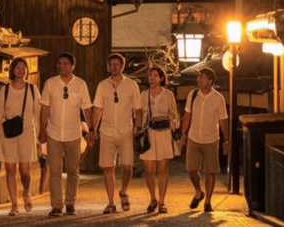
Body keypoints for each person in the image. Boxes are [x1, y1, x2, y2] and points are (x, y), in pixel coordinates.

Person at [38, 52, 93, 217]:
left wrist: (91, 129)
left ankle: (70, 203)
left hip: (73, 134)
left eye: (65, 63)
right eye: (59, 63)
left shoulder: (80, 84)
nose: (62, 66)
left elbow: (86, 108)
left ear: (72, 66)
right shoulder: (50, 83)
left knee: (73, 170)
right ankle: (56, 205)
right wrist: (42, 129)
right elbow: (45, 107)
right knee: (55, 171)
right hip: (53, 133)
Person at [90, 53, 141, 214]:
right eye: (111, 64)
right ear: (108, 66)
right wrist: (93, 129)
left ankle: (123, 192)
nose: (114, 67)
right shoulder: (102, 85)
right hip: (107, 130)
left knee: (127, 166)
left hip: (126, 130)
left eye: (117, 64)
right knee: (108, 167)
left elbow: (138, 108)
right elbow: (98, 108)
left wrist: (138, 126)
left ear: (122, 66)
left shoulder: (131, 85)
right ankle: (111, 202)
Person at [0, 57, 41, 216]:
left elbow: (37, 114)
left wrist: (39, 137)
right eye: (18, 67)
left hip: (27, 132)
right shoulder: (5, 90)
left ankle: (26, 191)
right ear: (12, 70)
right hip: (8, 132)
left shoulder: (32, 89)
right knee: (10, 169)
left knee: (25, 170)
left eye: (23, 68)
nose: (21, 70)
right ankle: (14, 204)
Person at [179, 68, 230, 213]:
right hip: (194, 137)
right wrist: (183, 133)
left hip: (211, 138)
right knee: (191, 168)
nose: (199, 80)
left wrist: (226, 139)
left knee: (210, 171)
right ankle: (198, 191)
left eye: (202, 77)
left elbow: (223, 120)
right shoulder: (193, 94)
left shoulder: (218, 98)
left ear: (210, 81)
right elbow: (187, 115)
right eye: (199, 77)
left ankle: (207, 201)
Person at [137, 65, 179, 214]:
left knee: (163, 169)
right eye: (150, 75)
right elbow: (139, 112)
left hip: (164, 133)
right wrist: (138, 127)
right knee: (149, 170)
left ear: (161, 78)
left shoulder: (168, 95)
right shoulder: (144, 94)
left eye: (155, 75)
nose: (152, 78)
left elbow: (174, 114)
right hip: (149, 133)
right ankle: (152, 198)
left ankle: (161, 202)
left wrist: (169, 120)